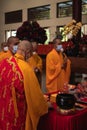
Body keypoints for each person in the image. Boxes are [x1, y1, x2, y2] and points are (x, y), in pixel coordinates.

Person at [0, 40, 48, 130]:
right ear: (28, 52)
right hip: (16, 113)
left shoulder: (3, 63)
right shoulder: (26, 69)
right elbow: (35, 98)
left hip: (3, 109)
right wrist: (45, 105)